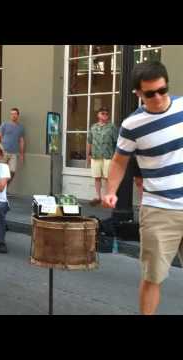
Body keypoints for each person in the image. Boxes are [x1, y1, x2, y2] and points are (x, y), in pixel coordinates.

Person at [102, 61, 183, 315]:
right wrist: (111, 191)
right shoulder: (132, 125)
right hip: (159, 209)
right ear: (139, 94)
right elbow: (118, 162)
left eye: (162, 90)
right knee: (153, 277)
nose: (158, 97)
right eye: (150, 93)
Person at [86, 106, 118, 206]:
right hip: (95, 156)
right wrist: (88, 154)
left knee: (107, 177)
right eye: (102, 113)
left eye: (106, 114)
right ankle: (98, 197)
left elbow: (116, 142)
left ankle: (107, 197)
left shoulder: (112, 127)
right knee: (97, 177)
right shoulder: (93, 127)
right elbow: (89, 141)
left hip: (108, 155)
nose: (104, 115)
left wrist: (116, 157)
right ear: (98, 115)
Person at [0, 108, 25, 185]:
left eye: (15, 114)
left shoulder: (20, 127)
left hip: (14, 153)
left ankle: (4, 186)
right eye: (12, 114)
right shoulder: (5, 124)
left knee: (12, 171)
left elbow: (21, 141)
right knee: (0, 171)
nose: (13, 115)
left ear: (18, 115)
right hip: (3, 152)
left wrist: (22, 154)